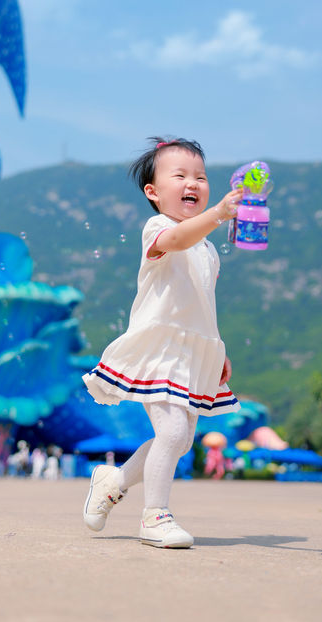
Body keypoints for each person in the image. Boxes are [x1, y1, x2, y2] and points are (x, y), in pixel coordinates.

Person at [82, 137, 243, 548]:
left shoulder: (208, 250)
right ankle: (154, 517)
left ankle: (113, 481)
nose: (194, 182)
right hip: (161, 348)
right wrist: (218, 213)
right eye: (181, 175)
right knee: (171, 434)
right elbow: (177, 241)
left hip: (194, 350)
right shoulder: (159, 228)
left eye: (201, 177)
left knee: (181, 439)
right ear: (153, 193)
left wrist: (218, 348)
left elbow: (202, 303)